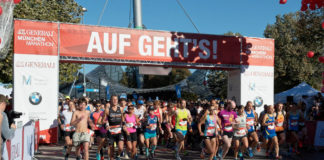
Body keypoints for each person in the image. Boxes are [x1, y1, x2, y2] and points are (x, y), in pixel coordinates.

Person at [102, 95, 124, 160]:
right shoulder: (107, 110)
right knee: (111, 151)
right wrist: (106, 125)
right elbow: (103, 121)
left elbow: (122, 118)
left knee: (121, 148)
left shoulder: (121, 109)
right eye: (113, 99)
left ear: (117, 100)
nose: (115, 101)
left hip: (119, 131)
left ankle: (118, 155)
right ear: (111, 101)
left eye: (116, 99)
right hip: (111, 132)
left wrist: (124, 124)